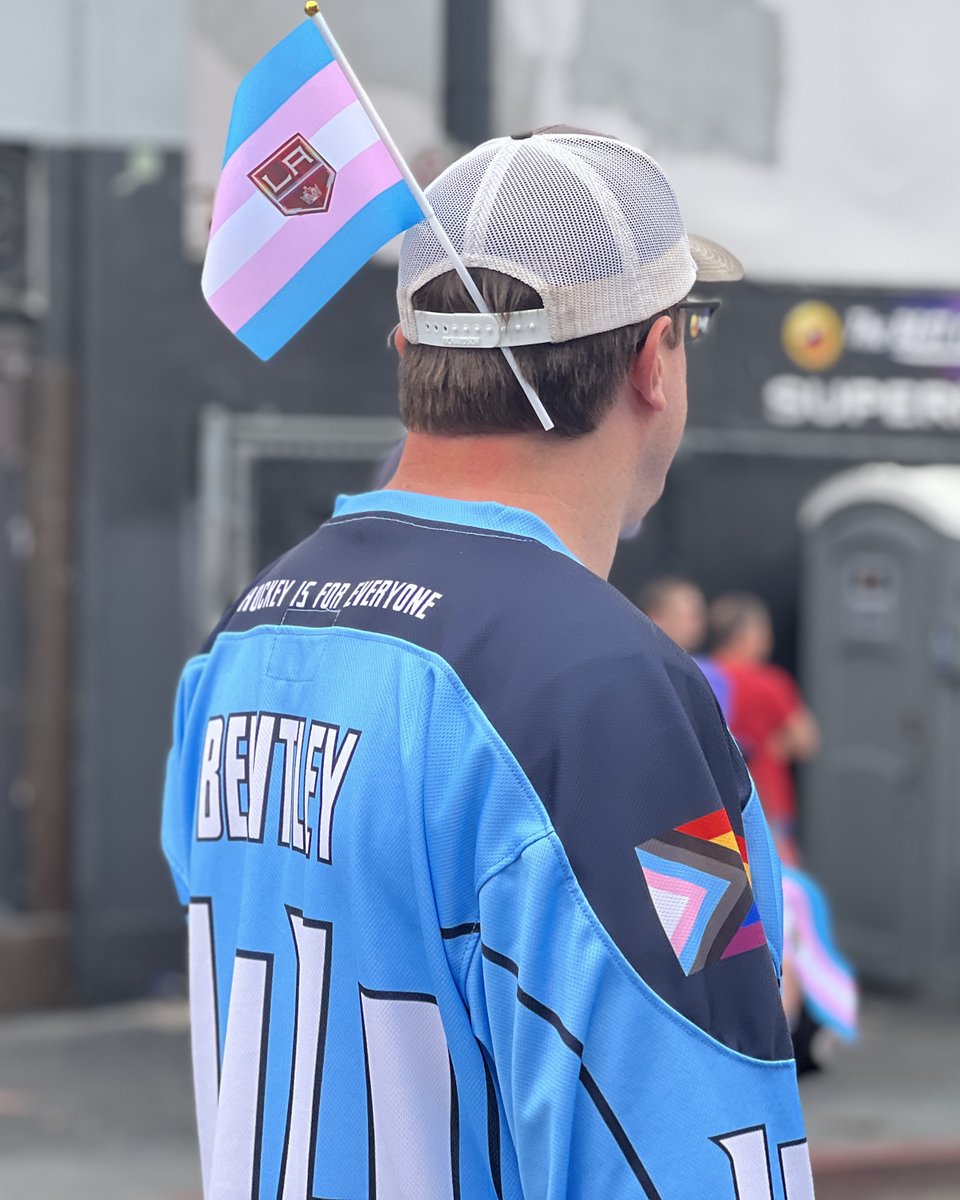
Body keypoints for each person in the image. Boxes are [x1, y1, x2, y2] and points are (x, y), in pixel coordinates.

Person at [162, 128, 813, 1198]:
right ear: (654, 360)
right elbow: (702, 1112)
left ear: (411, 355)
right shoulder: (605, 693)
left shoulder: (246, 638)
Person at [707, 593, 820, 866]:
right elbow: (807, 741)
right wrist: (775, 744)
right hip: (765, 802)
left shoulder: (701, 675)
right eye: (763, 629)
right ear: (744, 634)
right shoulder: (771, 683)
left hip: (712, 805)